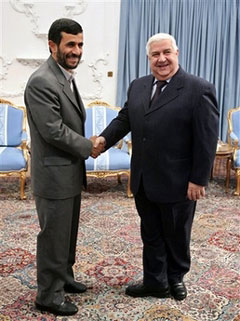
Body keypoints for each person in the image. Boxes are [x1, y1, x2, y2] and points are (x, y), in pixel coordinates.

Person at [95, 33, 219, 301]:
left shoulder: (199, 89)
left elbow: (207, 139)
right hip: (143, 178)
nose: (161, 59)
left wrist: (199, 179)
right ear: (148, 58)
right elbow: (125, 118)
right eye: (155, 54)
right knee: (150, 232)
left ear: (177, 53)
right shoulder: (138, 86)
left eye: (166, 53)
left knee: (176, 233)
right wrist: (103, 140)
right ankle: (154, 281)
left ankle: (175, 278)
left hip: (179, 181)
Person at [24, 18, 101, 316]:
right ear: (52, 45)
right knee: (53, 237)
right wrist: (87, 146)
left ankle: (64, 279)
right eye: (70, 44)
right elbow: (53, 130)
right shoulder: (42, 80)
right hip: (54, 176)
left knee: (66, 235)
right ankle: (48, 296)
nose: (77, 50)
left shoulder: (64, 74)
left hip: (67, 172)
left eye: (80, 44)